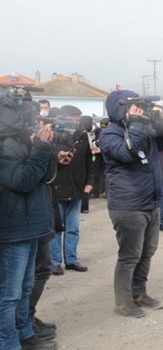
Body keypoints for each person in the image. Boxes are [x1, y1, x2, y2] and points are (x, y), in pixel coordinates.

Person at [99, 90, 163, 318]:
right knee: (129, 255)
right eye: (133, 107)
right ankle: (123, 302)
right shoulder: (109, 134)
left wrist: (159, 123)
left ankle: (139, 293)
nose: (139, 110)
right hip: (127, 205)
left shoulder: (144, 128)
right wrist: (135, 125)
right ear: (119, 109)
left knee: (147, 252)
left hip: (150, 201)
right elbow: (127, 153)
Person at [1, 90, 64, 350]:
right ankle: (8, 342)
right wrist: (40, 149)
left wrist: (47, 149)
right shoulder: (4, 144)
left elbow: (45, 176)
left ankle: (25, 334)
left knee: (25, 288)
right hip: (12, 228)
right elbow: (23, 181)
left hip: (31, 225)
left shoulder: (24, 141)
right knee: (9, 294)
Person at [50, 105, 94, 275]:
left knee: (73, 228)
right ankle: (55, 262)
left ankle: (71, 260)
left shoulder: (83, 136)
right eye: (73, 118)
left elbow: (90, 161)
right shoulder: (54, 136)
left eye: (77, 118)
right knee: (56, 229)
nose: (75, 121)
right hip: (57, 188)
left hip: (77, 189)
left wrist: (90, 182)